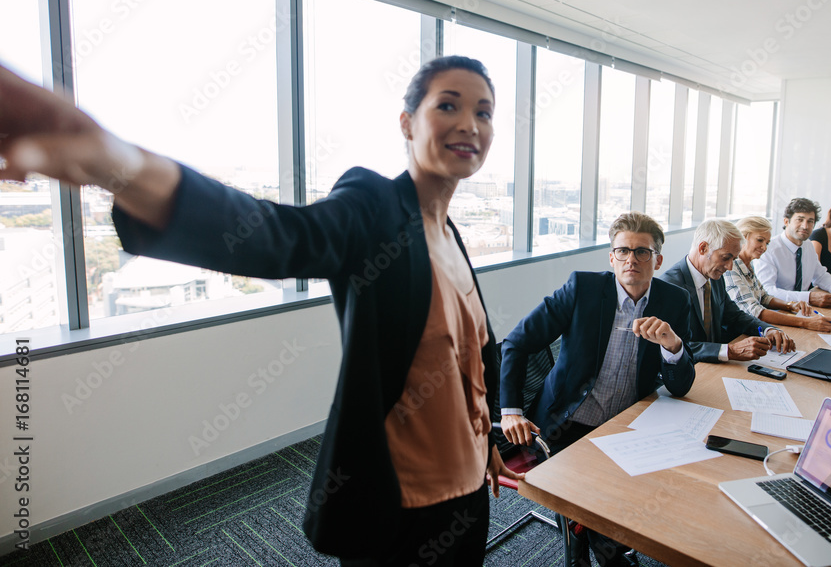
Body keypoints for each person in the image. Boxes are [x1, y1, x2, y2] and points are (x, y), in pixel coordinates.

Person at [0, 57, 522, 567]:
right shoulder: (374, 207)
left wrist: (487, 443)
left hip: (471, 493)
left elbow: (472, 363)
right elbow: (273, 234)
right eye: (448, 104)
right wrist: (114, 162)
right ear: (407, 122)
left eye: (484, 111)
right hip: (399, 503)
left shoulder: (452, 233)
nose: (468, 124)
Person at [500, 211, 695, 567]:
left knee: (654, 489)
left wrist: (671, 344)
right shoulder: (583, 289)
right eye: (623, 251)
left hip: (626, 426)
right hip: (564, 426)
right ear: (611, 257)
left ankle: (587, 543)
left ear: (658, 259)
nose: (631, 259)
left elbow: (681, 388)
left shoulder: (674, 301)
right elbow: (515, 343)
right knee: (596, 503)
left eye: (642, 252)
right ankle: (595, 553)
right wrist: (510, 410)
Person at [660, 218, 795, 363]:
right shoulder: (670, 287)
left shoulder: (714, 276)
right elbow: (673, 347)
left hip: (714, 367)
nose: (730, 267)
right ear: (703, 248)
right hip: (687, 371)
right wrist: (729, 351)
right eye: (726, 258)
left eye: (734, 259)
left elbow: (735, 316)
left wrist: (769, 330)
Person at [725, 216, 831, 332]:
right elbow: (756, 311)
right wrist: (806, 323)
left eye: (767, 243)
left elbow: (764, 297)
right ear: (743, 237)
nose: (764, 247)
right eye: (760, 240)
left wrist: (790, 305)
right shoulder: (731, 268)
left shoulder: (748, 265)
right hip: (739, 335)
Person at [755, 197, 831, 307]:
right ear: (786, 221)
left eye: (810, 221)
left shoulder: (808, 245)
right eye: (800, 219)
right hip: (777, 310)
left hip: (803, 309)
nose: (805, 226)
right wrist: (808, 298)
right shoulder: (768, 249)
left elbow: (820, 276)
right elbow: (767, 291)